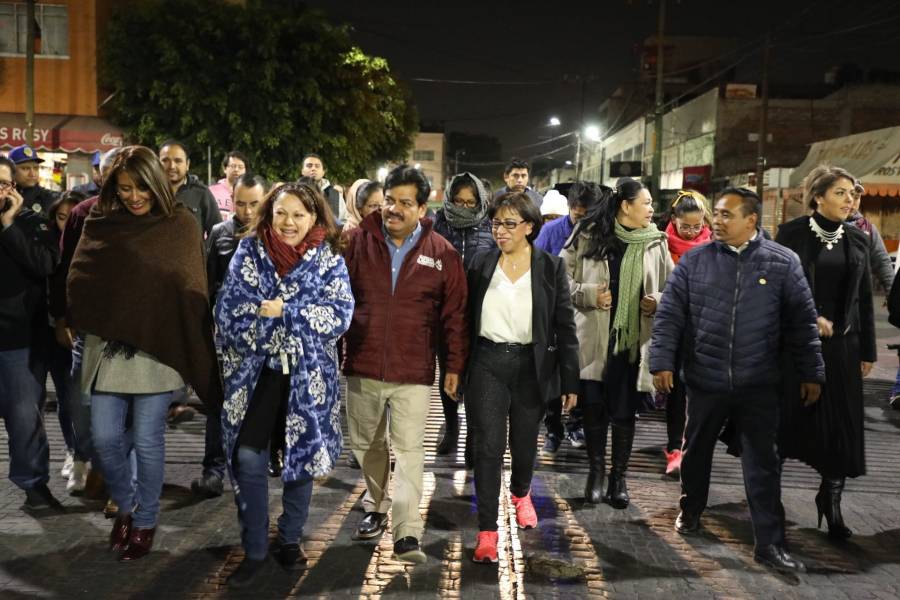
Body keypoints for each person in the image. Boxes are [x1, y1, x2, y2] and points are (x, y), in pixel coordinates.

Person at [650, 186, 823, 573]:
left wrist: (812, 371)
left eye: (728, 215)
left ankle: (769, 544)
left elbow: (801, 324)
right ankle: (691, 509)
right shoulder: (695, 262)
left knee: (763, 463)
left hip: (760, 384)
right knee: (696, 451)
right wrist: (661, 361)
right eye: (719, 214)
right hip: (706, 379)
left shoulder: (783, 263)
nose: (718, 221)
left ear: (752, 220)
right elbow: (670, 317)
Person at [67, 145, 222, 562]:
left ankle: (146, 521)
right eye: (125, 188)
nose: (134, 196)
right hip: (108, 347)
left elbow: (191, 287)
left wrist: (186, 336)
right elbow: (81, 276)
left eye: (142, 188)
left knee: (150, 443)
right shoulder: (102, 220)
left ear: (157, 183)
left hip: (158, 347)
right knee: (103, 439)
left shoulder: (181, 224)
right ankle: (127, 505)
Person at [215, 181, 353, 587]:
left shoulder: (329, 258)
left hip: (308, 377)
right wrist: (274, 322)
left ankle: (290, 539)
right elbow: (229, 313)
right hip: (256, 375)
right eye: (280, 214)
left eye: (298, 214)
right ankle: (255, 547)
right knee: (248, 459)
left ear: (314, 217)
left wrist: (285, 311)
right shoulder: (249, 251)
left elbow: (340, 314)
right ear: (269, 215)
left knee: (302, 461)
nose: (288, 223)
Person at [343, 165, 468, 564]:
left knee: (411, 449)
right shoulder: (355, 242)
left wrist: (453, 366)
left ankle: (406, 531)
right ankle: (376, 505)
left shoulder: (442, 253)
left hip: (414, 370)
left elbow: (455, 315)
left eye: (404, 203)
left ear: (422, 206)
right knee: (367, 445)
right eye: (389, 201)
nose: (393, 209)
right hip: (362, 364)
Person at [466, 191, 579, 563]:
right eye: (496, 223)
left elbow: (564, 325)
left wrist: (570, 381)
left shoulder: (550, 267)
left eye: (509, 224)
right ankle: (487, 531)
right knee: (488, 447)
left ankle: (521, 491)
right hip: (488, 362)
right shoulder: (481, 263)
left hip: (532, 367)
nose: (500, 231)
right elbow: (464, 320)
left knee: (525, 444)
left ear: (530, 227)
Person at [775, 166, 875, 541]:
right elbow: (776, 288)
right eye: (841, 193)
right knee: (789, 424)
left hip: (843, 349)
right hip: (797, 346)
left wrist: (866, 350)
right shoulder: (792, 235)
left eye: (853, 193)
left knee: (840, 431)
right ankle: (772, 502)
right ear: (818, 197)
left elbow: (863, 299)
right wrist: (808, 316)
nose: (850, 200)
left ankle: (830, 501)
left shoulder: (858, 239)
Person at [561, 179, 673, 506]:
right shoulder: (587, 234)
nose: (652, 209)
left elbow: (675, 289)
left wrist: (659, 299)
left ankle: (618, 478)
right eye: (647, 202)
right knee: (594, 408)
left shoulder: (657, 243)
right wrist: (586, 293)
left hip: (633, 344)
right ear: (626, 205)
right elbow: (557, 278)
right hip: (595, 340)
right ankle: (596, 472)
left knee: (624, 413)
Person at [50, 147, 125, 509]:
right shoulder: (82, 212)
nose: (115, 180)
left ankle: (115, 478)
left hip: (128, 331)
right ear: (99, 176)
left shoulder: (146, 215)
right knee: (82, 401)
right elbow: (64, 268)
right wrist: (61, 317)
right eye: (109, 172)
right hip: (87, 328)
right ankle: (81, 457)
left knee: (125, 409)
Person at [190, 173, 269, 499]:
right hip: (225, 337)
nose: (247, 211)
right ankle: (213, 471)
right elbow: (206, 282)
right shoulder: (221, 234)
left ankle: (250, 473)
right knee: (218, 406)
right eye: (240, 203)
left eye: (254, 203)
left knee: (257, 408)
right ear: (230, 200)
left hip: (263, 338)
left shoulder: (276, 233)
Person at [0, 154, 63, 512]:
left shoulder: (31, 222)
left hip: (19, 339)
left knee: (25, 418)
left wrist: (8, 227)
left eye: (3, 183)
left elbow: (45, 264)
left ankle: (33, 486)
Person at [432, 172, 496, 455]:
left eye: (470, 202)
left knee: (475, 375)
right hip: (444, 311)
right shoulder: (438, 224)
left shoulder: (490, 225)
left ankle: (472, 434)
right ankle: (451, 427)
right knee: (447, 370)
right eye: (458, 201)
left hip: (481, 310)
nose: (464, 207)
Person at [535, 182, 600, 457]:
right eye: (577, 215)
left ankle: (576, 426)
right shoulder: (550, 232)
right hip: (553, 313)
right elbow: (536, 268)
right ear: (569, 209)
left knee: (582, 374)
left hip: (587, 315)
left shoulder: (602, 235)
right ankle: (553, 430)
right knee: (553, 375)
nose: (582, 222)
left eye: (588, 216)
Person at [659, 189, 713, 476]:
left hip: (706, 330)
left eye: (697, 225)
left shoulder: (715, 246)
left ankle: (695, 447)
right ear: (673, 220)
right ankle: (674, 448)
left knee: (703, 394)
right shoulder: (660, 246)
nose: (692, 232)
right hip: (675, 329)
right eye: (685, 226)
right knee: (677, 394)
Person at [44, 191, 89, 493]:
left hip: (82, 328)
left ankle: (84, 455)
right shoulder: (44, 241)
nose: (67, 223)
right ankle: (74, 451)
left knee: (78, 397)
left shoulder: (87, 241)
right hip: (50, 327)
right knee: (67, 396)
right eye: (61, 217)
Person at [159, 139, 222, 238]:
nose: (171, 166)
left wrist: (204, 251)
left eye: (178, 161)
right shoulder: (149, 193)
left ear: (187, 164)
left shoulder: (202, 193)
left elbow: (218, 233)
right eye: (165, 160)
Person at [8, 144, 58, 218]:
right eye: (25, 168)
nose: (32, 174)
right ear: (11, 171)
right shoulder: (4, 196)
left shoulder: (51, 198)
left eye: (35, 168)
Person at [299, 153, 342, 220]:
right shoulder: (293, 193)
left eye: (317, 166)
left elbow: (344, 221)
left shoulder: (335, 194)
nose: (313, 168)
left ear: (323, 172)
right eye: (309, 166)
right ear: (302, 171)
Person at [208, 150, 249, 220]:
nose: (236, 169)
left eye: (240, 167)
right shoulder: (211, 191)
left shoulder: (250, 192)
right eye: (233, 166)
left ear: (246, 170)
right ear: (225, 169)